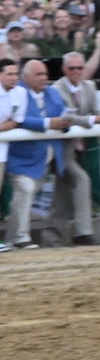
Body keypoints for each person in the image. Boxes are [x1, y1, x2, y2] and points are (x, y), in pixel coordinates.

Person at [5, 59, 94, 249]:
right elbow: (19, 120)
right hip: (22, 158)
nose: (44, 78)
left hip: (54, 156)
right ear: (26, 77)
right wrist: (48, 123)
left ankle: (80, 234)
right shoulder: (17, 93)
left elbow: (63, 115)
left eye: (45, 74)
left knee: (78, 180)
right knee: (26, 190)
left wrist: (66, 122)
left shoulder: (52, 93)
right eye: (39, 75)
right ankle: (19, 238)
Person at [0, 56, 19, 252]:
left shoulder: (19, 93)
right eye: (10, 74)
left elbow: (16, 120)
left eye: (16, 74)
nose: (14, 78)